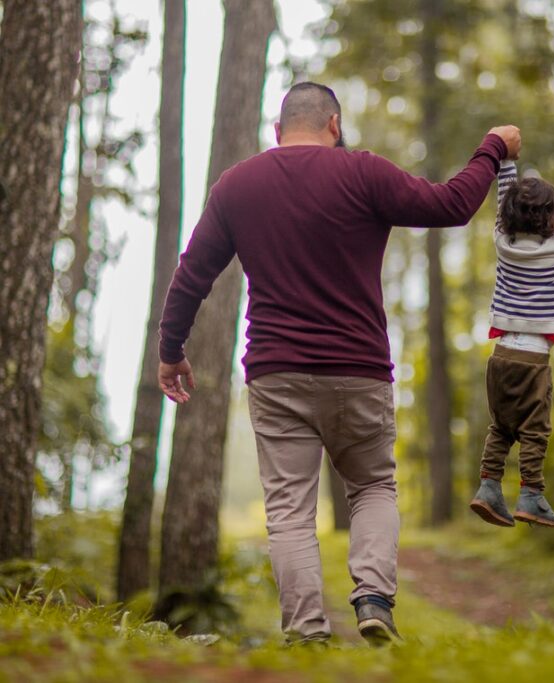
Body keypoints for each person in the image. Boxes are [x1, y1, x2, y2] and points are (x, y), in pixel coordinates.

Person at [157, 81, 521, 646]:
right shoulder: (363, 172)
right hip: (358, 369)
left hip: (276, 373)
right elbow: (452, 205)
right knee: (373, 485)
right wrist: (492, 147)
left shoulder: (238, 185)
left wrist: (170, 350)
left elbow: (192, 275)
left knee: (289, 511)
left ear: (278, 133)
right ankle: (374, 598)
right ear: (335, 124)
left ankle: (305, 633)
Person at [468, 159, 554, 529]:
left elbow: (503, 196)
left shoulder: (502, 243)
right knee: (534, 430)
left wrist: (506, 161)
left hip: (501, 356)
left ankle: (489, 486)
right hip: (533, 360)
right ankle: (531, 494)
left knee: (501, 427)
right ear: (552, 218)